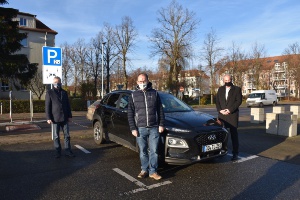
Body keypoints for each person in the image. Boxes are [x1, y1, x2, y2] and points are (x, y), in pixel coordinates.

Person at [127, 73, 165, 180]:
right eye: (140, 81)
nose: (142, 83)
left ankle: (153, 171)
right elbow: (130, 113)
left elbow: (160, 110)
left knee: (154, 151)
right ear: (137, 82)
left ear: (148, 81)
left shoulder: (155, 93)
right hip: (140, 128)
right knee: (143, 151)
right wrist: (133, 128)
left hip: (154, 127)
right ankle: (144, 169)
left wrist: (161, 124)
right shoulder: (133, 95)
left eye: (144, 80)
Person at [45, 76, 74, 158]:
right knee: (56, 136)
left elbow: (68, 105)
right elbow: (47, 106)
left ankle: (68, 151)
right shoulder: (49, 92)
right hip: (55, 118)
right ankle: (58, 152)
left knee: (67, 135)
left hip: (64, 118)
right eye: (55, 82)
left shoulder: (64, 92)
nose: (57, 84)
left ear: (60, 83)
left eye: (58, 82)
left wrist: (69, 116)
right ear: (53, 83)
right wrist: (48, 118)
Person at [215, 74, 242, 161]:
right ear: (223, 81)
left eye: (228, 80)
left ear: (231, 79)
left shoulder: (237, 89)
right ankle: (221, 151)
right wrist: (220, 110)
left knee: (234, 136)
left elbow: (239, 101)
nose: (227, 82)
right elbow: (217, 101)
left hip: (232, 115)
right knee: (221, 135)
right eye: (225, 81)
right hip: (222, 116)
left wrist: (230, 110)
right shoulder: (220, 89)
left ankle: (235, 153)